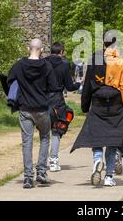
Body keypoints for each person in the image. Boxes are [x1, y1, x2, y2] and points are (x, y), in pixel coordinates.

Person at [71, 34, 123, 187]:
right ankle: (109, 176)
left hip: (98, 103)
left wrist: (85, 106)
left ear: (103, 43)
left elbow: (87, 86)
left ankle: (98, 160)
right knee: (112, 141)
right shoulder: (120, 62)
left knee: (97, 136)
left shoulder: (94, 60)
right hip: (116, 104)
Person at [7, 39, 58, 189]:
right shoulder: (47, 66)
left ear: (28, 48)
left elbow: (10, 81)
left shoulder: (18, 65)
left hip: (25, 109)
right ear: (41, 49)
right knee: (44, 137)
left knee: (27, 142)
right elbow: (54, 87)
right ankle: (41, 171)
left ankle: (28, 178)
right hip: (41, 108)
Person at [44, 42, 80, 172]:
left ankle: (42, 163)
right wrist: (78, 85)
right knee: (57, 130)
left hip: (42, 100)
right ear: (62, 52)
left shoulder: (43, 62)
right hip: (57, 100)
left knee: (44, 133)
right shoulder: (64, 64)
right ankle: (53, 161)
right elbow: (69, 86)